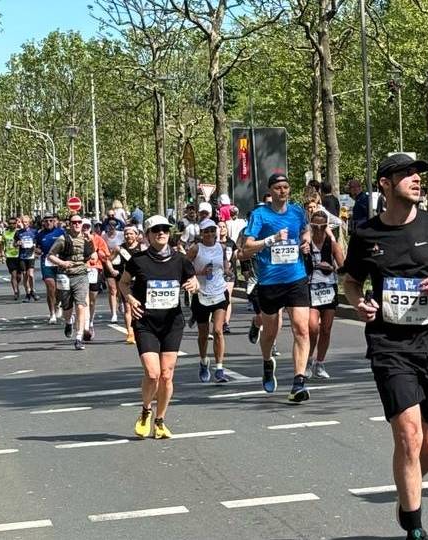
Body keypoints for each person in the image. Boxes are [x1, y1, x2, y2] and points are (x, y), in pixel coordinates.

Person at [341, 153, 428, 540]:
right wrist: (358, 302)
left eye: (418, 174)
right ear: (385, 183)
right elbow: (351, 280)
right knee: (409, 435)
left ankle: (406, 497)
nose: (416, 180)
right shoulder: (367, 235)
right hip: (390, 346)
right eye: (406, 174)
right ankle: (415, 527)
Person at [120, 215, 198, 439]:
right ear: (148, 235)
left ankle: (160, 420)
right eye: (156, 230)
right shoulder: (138, 260)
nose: (161, 233)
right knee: (153, 374)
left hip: (172, 322)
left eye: (164, 229)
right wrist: (131, 299)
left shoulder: (180, 260)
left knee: (166, 375)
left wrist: (194, 284)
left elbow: (194, 281)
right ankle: (146, 411)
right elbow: (124, 283)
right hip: (145, 322)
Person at [239, 173, 313, 401]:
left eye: (286, 187)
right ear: (270, 191)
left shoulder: (297, 212)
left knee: (302, 328)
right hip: (270, 281)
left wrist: (306, 240)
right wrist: (271, 240)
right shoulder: (261, 215)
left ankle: (298, 382)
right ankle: (266, 361)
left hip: (296, 278)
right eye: (278, 187)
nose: (283, 191)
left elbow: (306, 229)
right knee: (271, 332)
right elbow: (247, 247)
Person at [187, 219, 230, 383]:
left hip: (219, 292)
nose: (210, 234)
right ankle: (204, 361)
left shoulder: (222, 247)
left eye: (213, 230)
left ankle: (219, 368)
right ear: (201, 233)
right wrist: (200, 272)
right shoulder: (196, 249)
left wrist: (227, 269)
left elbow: (225, 263)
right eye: (207, 231)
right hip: (202, 294)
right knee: (203, 334)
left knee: (218, 331)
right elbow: (185, 266)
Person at [304, 208, 344, 379]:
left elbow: (343, 268)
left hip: (328, 288)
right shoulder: (305, 244)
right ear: (311, 227)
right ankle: (306, 360)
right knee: (312, 328)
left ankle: (319, 363)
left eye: (322, 227)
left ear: (327, 227)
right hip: (311, 287)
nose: (319, 230)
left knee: (326, 329)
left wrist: (333, 267)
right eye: (315, 227)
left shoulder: (333, 245)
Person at [48, 214, 98, 350]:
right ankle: (69, 322)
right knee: (67, 307)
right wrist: (62, 263)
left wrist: (94, 256)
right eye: (74, 222)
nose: (77, 224)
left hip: (81, 275)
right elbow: (50, 255)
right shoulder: (63, 239)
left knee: (81, 305)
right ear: (69, 224)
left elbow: (93, 254)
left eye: (79, 222)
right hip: (65, 276)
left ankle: (78, 337)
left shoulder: (87, 239)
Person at [115, 225, 146, 344]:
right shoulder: (120, 248)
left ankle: (141, 330)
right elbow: (109, 259)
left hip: (140, 281)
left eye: (131, 233)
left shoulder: (142, 247)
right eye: (126, 234)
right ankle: (130, 332)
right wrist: (113, 270)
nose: (128, 236)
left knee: (140, 306)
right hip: (126, 281)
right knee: (128, 307)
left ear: (136, 235)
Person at [35, 214, 66, 323]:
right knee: (50, 287)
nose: (48, 223)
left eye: (51, 220)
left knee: (60, 288)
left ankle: (58, 303)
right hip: (47, 262)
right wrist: (37, 251)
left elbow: (66, 245)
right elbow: (37, 248)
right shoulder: (40, 234)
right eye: (46, 221)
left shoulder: (60, 232)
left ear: (54, 221)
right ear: (43, 222)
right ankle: (52, 313)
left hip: (59, 261)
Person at [15, 215, 39, 302]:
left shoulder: (34, 232)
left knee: (31, 275)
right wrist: (17, 243)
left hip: (31, 256)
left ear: (29, 223)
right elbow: (15, 244)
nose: (25, 224)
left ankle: (33, 290)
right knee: (25, 275)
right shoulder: (18, 233)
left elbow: (37, 243)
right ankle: (27, 293)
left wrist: (35, 248)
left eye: (26, 222)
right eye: (23, 222)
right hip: (22, 256)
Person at [2, 218, 23, 300]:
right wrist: (2, 254)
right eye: (10, 223)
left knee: (19, 276)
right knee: (13, 275)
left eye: (14, 223)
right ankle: (15, 292)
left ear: (16, 224)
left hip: (19, 256)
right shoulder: (5, 233)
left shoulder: (19, 233)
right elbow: (2, 244)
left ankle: (17, 286)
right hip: (10, 256)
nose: (12, 225)